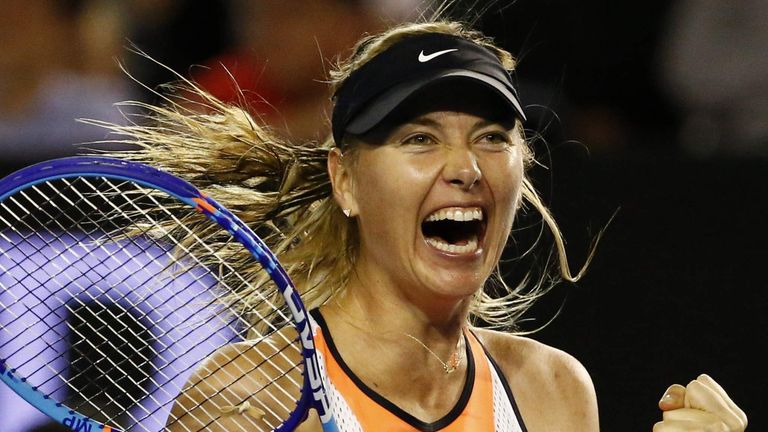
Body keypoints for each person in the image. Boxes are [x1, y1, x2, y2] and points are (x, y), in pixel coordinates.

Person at [105, 18, 747, 432]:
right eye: (419, 138)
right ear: (346, 180)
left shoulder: (552, 393)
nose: (465, 167)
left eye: (492, 137)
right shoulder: (249, 403)